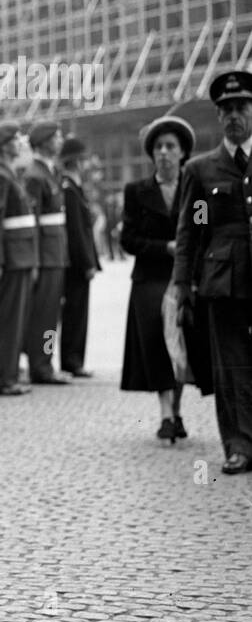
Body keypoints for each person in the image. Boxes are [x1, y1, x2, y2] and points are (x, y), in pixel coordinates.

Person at [172, 72, 252, 474]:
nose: (233, 117)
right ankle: (238, 446)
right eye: (226, 111)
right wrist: (182, 284)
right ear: (218, 117)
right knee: (231, 365)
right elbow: (192, 231)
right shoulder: (202, 171)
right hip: (224, 281)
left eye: (241, 108)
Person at [121, 115, 200, 442]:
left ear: (182, 153)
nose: (164, 152)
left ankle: (177, 410)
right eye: (158, 147)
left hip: (184, 278)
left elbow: (203, 226)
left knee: (182, 342)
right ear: (151, 154)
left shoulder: (196, 189)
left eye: (171, 146)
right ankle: (166, 413)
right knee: (156, 341)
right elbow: (128, 240)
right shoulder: (136, 192)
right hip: (150, 278)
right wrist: (164, 247)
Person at [0, 122, 38, 396]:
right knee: (7, 320)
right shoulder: (0, 177)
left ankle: (10, 374)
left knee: (15, 320)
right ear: (5, 145)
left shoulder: (9, 174)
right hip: (11, 258)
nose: (20, 142)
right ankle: (2, 378)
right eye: (16, 138)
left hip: (21, 257)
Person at [22, 121, 72, 384]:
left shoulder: (50, 172)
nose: (61, 140)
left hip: (56, 254)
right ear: (43, 142)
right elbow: (34, 223)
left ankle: (46, 362)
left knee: (52, 315)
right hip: (46, 257)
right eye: (56, 136)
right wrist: (36, 261)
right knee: (44, 315)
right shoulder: (35, 176)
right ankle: (41, 366)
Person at [58, 136, 100, 377]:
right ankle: (71, 361)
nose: (87, 164)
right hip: (75, 265)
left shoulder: (74, 186)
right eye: (83, 160)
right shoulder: (69, 189)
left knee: (78, 313)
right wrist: (87, 263)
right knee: (74, 314)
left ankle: (73, 359)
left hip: (77, 263)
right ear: (75, 161)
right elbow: (75, 232)